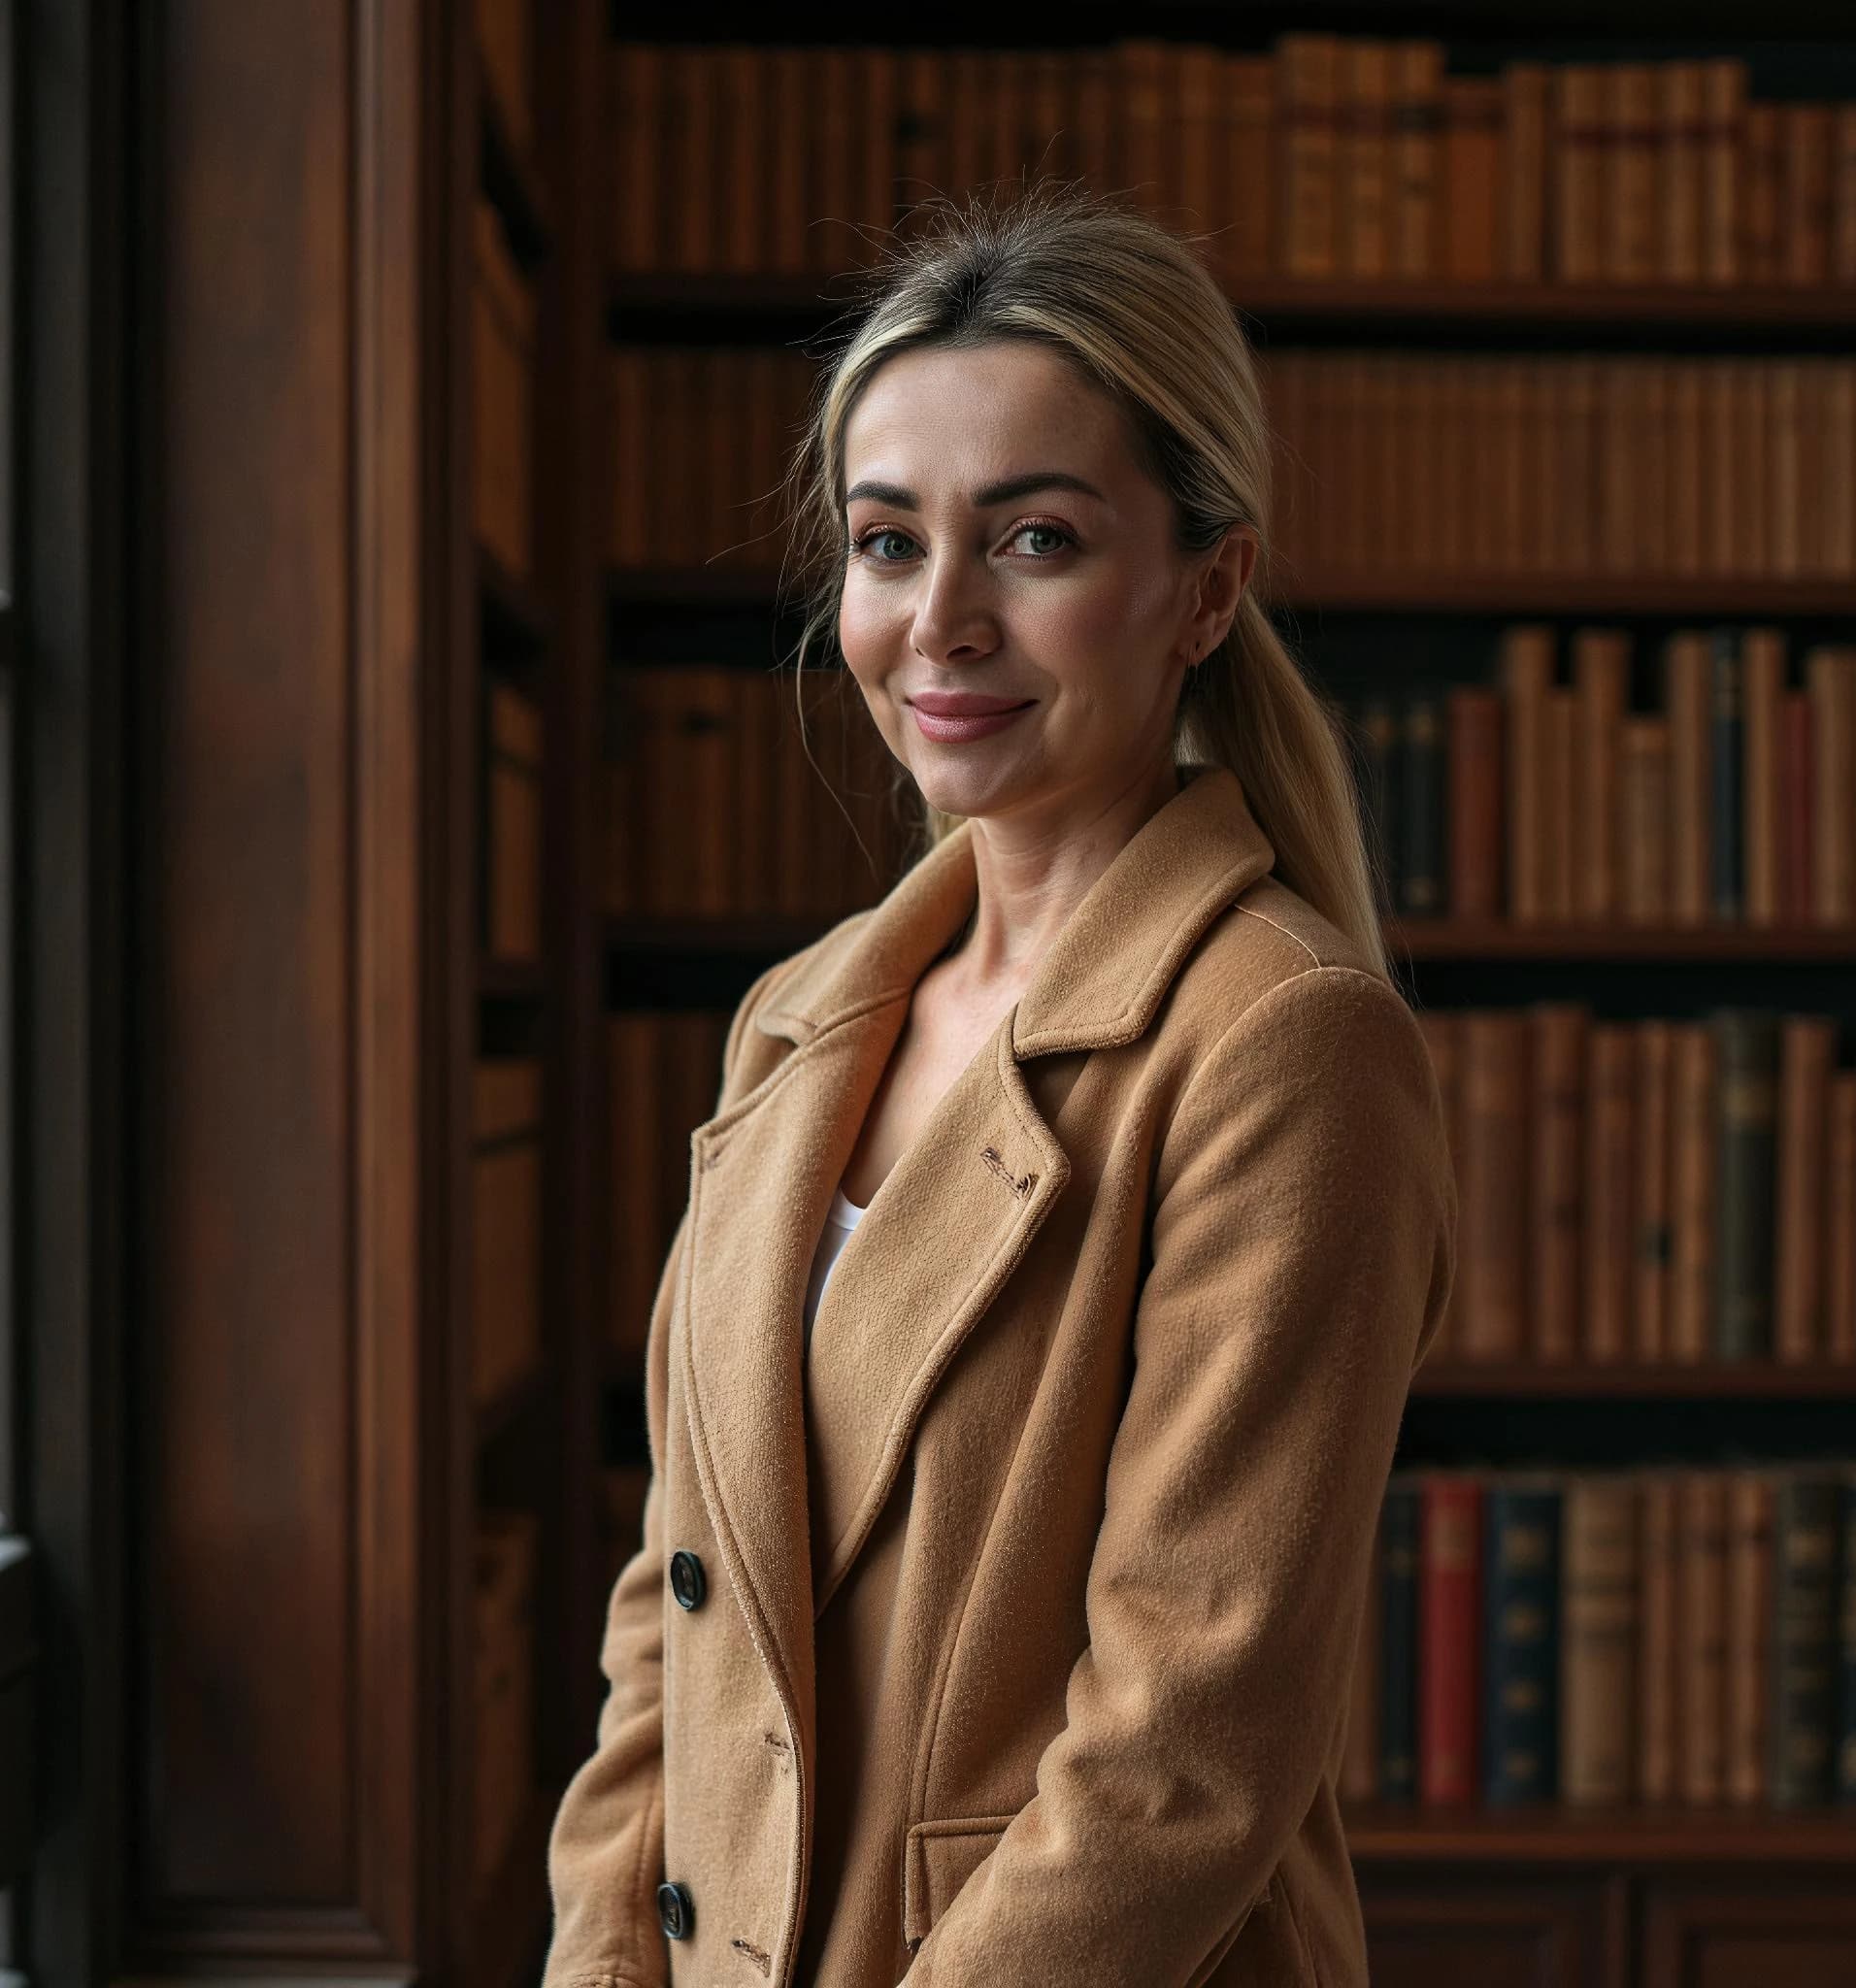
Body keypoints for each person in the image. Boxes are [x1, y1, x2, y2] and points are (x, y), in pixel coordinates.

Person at [541, 181, 1457, 1988]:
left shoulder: (1284, 1044)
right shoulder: (797, 1021)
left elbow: (1184, 1758)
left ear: (1206, 589)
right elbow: (678, 1612)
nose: (940, 620)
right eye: (889, 544)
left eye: (1034, 542)